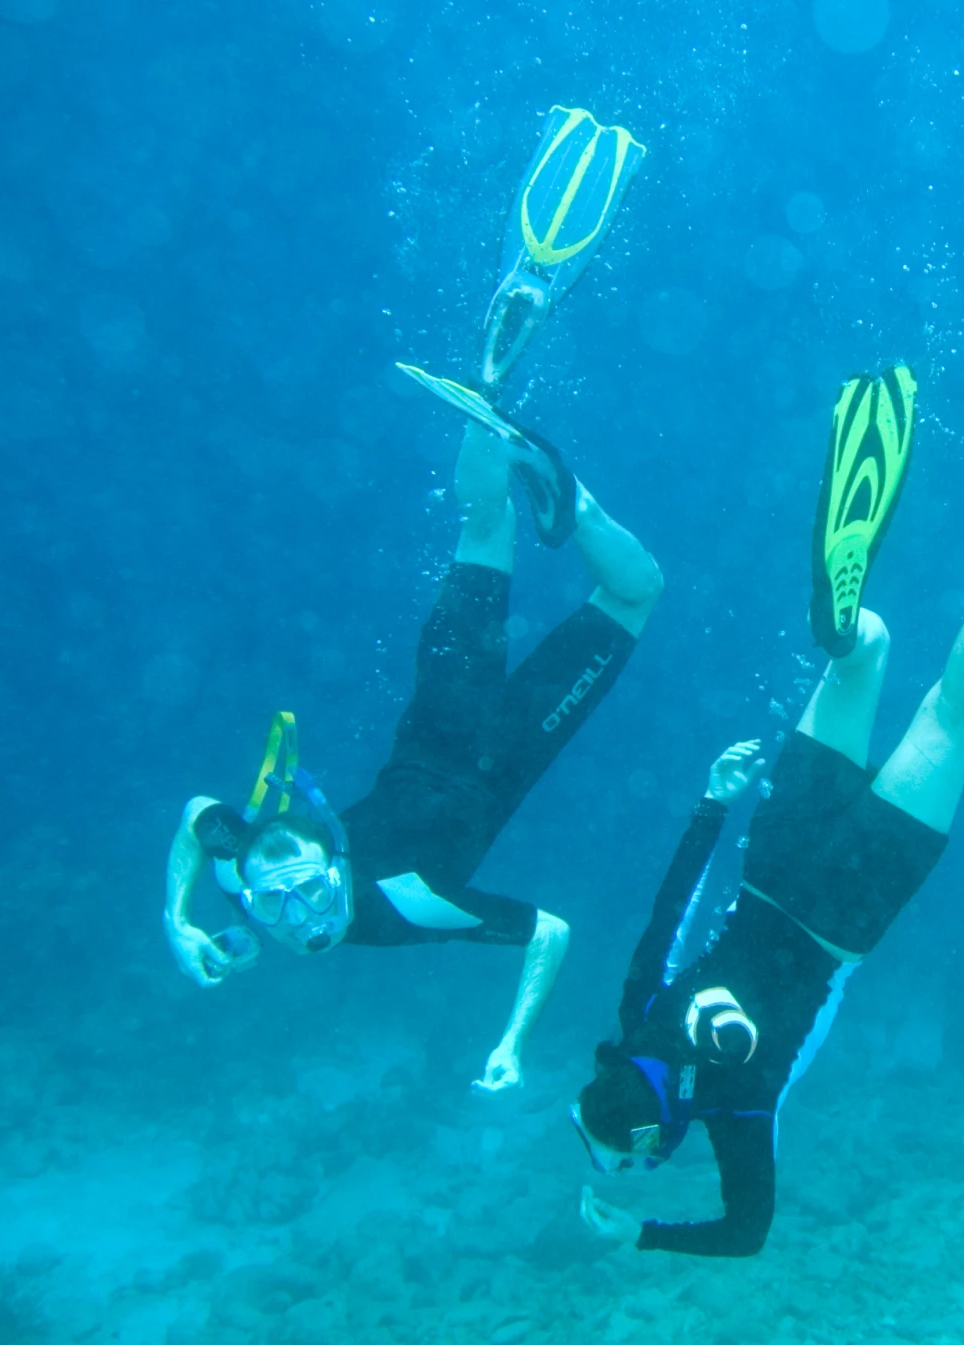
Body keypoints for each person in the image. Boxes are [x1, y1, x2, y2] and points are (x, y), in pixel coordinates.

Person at [570, 270, 964, 1255]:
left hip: (843, 914)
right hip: (773, 858)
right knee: (860, 654)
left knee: (952, 712)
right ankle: (849, 618)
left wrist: (639, 1234)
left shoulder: (737, 1112)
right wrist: (710, 802)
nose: (623, 1168)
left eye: (624, 1156)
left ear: (652, 1132)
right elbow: (666, 913)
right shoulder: (636, 1017)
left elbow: (745, 1231)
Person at [159, 107, 660, 1094]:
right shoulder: (252, 870)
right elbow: (199, 819)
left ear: (328, 866)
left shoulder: (399, 902)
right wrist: (180, 914)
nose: (299, 921)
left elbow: (545, 930)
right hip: (449, 720)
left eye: (297, 897)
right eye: (279, 909)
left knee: (618, 587)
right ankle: (537, 451)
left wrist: (514, 1040)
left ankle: (510, 413)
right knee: (562, 559)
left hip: (490, 739)